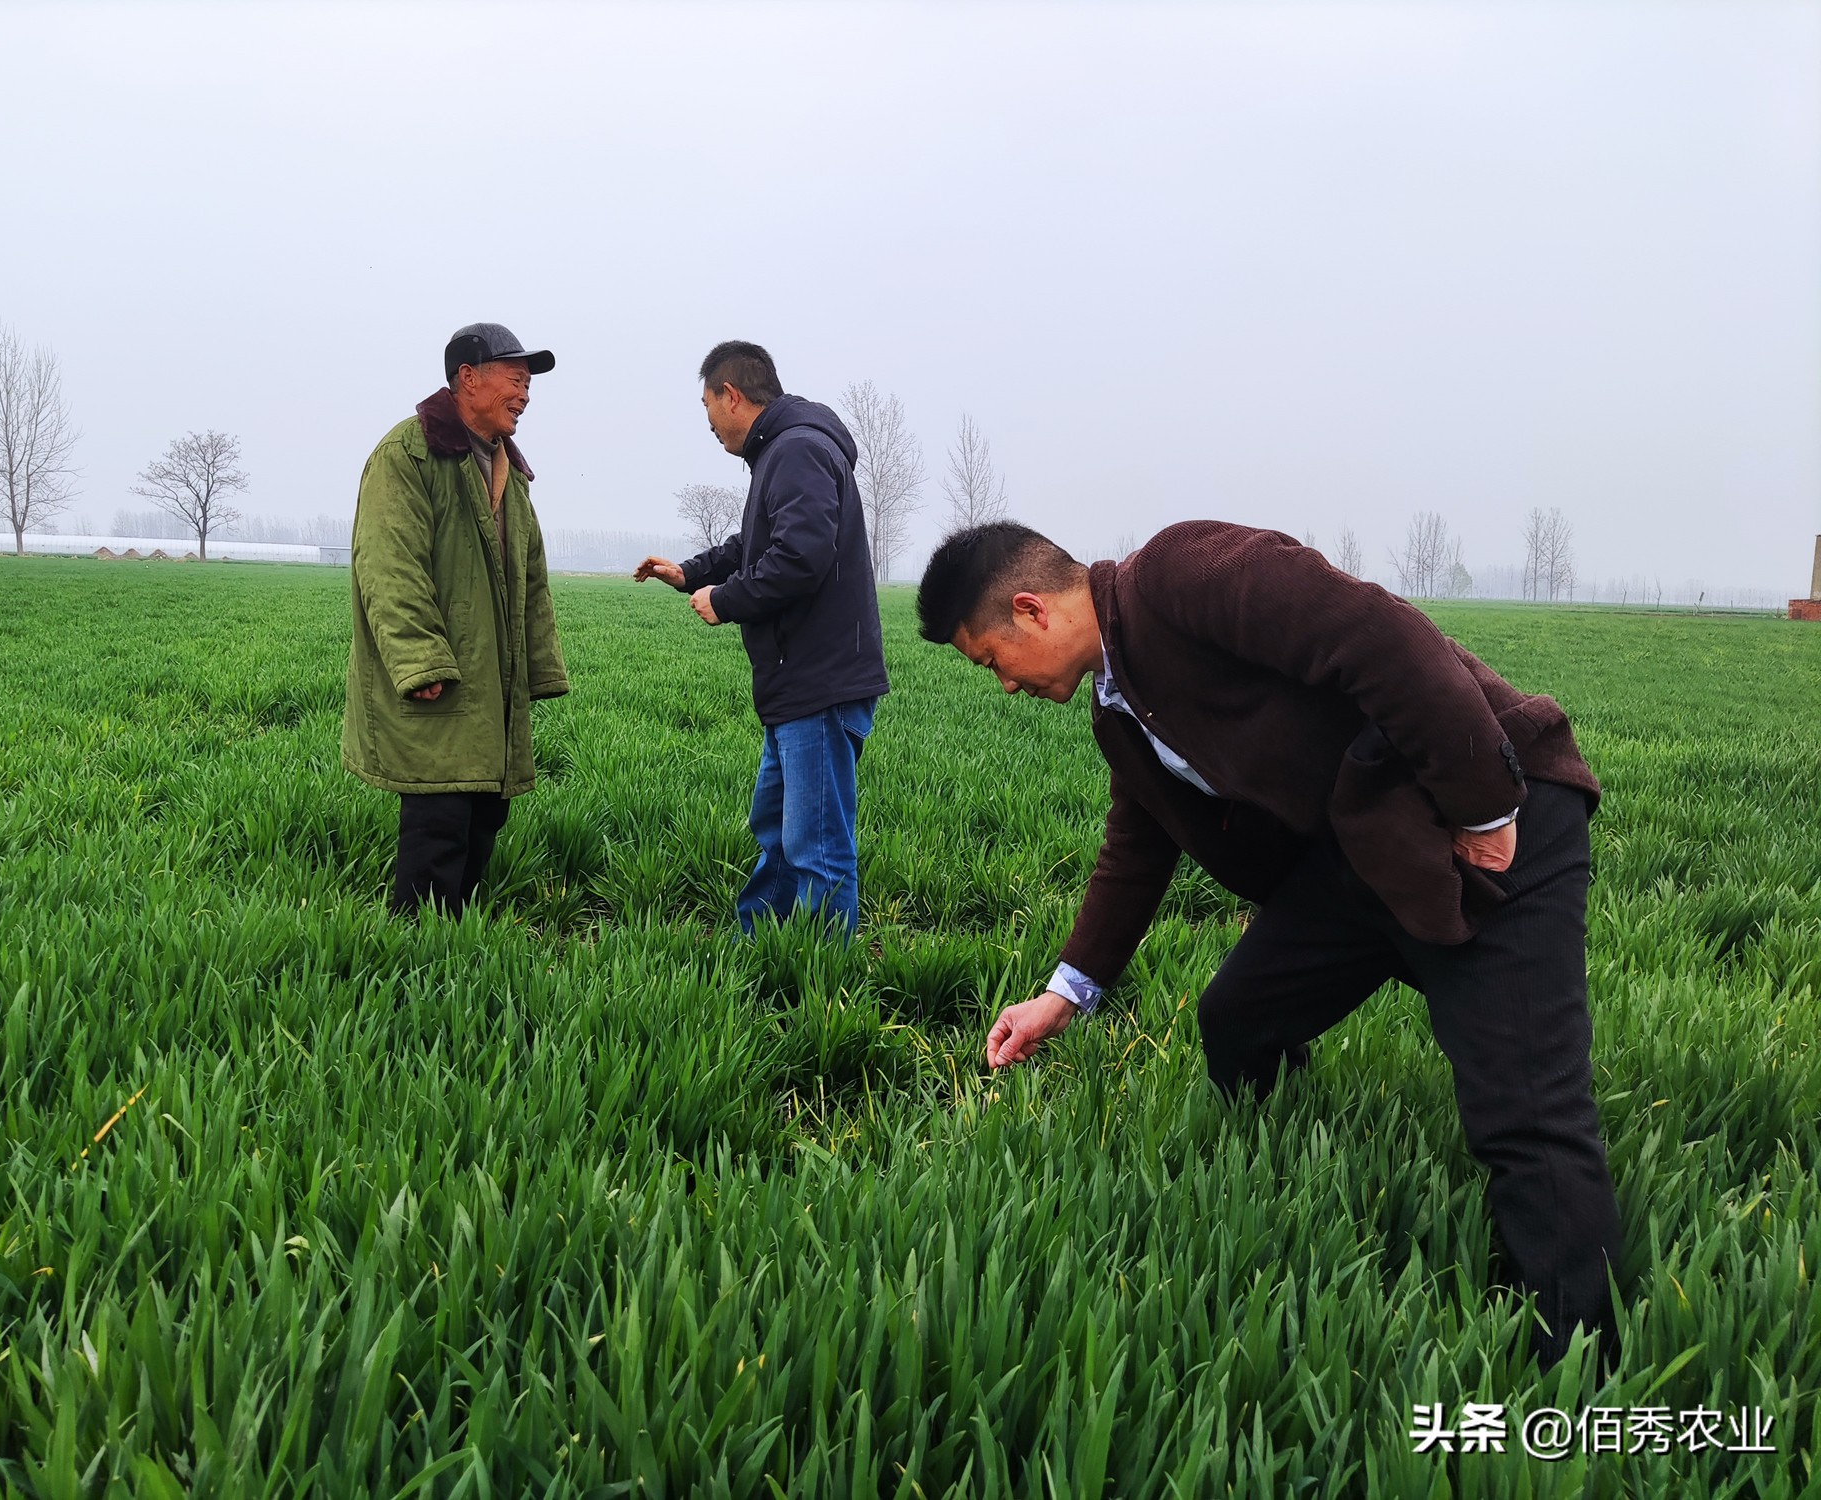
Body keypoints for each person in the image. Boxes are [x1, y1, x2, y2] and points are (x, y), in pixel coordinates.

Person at [917, 519, 1622, 1368]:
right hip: (1371, 856)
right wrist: (1065, 993)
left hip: (1498, 818)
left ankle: (1582, 1371)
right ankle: (1295, 1171)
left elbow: (1377, 631)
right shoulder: (1119, 706)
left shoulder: (1178, 577)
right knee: (1238, 1019)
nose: (1002, 686)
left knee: (1527, 1117)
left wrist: (1482, 805)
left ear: (1030, 610)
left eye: (990, 661)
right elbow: (1138, 845)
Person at [635, 341, 888, 933]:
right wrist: (691, 574)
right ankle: (761, 948)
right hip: (794, 683)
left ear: (732, 395)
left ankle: (823, 991)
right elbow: (756, 547)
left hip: (818, 683)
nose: (709, 423)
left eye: (707, 407)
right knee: (776, 830)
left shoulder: (796, 449)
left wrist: (724, 601)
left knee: (817, 847)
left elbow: (800, 558)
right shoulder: (779, 452)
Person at [342, 322, 568, 916]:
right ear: (467, 379)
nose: (524, 394)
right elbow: (389, 565)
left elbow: (532, 578)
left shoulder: (507, 470)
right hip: (441, 677)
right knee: (440, 817)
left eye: (527, 384)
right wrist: (419, 660)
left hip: (492, 680)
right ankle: (416, 954)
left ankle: (456, 939)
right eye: (514, 380)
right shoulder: (407, 454)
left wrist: (539, 668)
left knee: (485, 812)